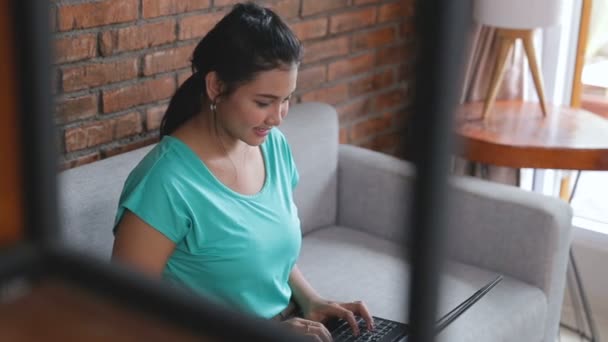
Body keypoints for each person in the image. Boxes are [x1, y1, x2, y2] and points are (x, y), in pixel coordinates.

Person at [111, 2, 374, 341]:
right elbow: (122, 315)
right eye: (264, 102)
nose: (278, 117)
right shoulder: (166, 183)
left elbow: (266, 249)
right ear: (216, 86)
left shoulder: (273, 147)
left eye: (286, 99)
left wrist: (311, 299)